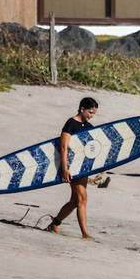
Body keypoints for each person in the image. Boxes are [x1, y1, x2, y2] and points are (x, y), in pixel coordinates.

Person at [47, 97, 99, 239]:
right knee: (82, 199)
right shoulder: (70, 124)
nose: (91, 116)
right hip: (72, 168)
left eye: (93, 113)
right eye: (90, 112)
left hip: (83, 168)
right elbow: (64, 148)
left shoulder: (89, 128)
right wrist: (65, 169)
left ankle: (54, 224)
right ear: (82, 109)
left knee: (75, 201)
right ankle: (85, 234)